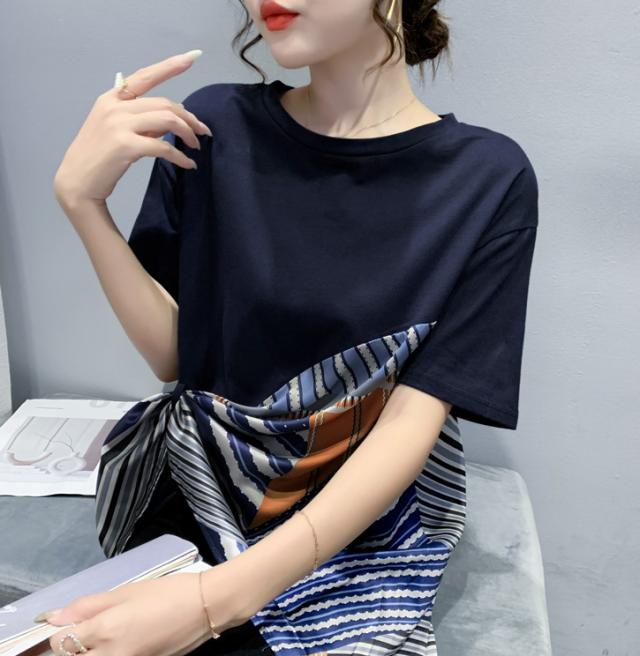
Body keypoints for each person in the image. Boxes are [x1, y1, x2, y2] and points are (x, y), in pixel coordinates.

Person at [48, 1, 539, 655]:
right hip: (193, 485)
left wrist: (215, 602)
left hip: (353, 525)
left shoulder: (486, 179)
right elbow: (175, 357)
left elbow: (410, 422)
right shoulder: (213, 124)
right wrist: (84, 205)